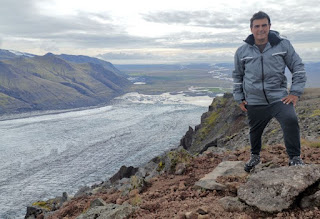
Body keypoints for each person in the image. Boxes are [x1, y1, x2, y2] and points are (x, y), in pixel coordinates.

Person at [232, 11, 307, 172]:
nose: (261, 29)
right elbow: (238, 76)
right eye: (257, 26)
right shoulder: (242, 51)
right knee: (255, 130)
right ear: (251, 29)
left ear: (270, 26)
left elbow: (298, 68)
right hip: (254, 99)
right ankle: (255, 156)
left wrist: (295, 92)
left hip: (278, 98)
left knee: (290, 120)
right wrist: (239, 97)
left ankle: (294, 158)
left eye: (264, 25)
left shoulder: (283, 45)